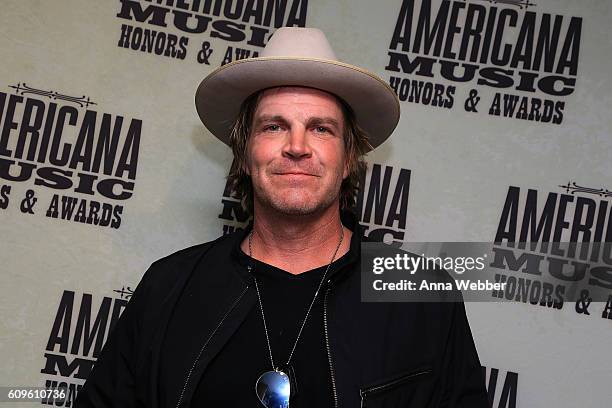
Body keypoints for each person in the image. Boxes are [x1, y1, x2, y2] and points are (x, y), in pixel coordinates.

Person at [76, 27, 489, 408]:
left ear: (348, 159)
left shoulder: (419, 295)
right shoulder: (168, 287)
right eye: (274, 126)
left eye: (321, 129)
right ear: (244, 154)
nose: (296, 147)